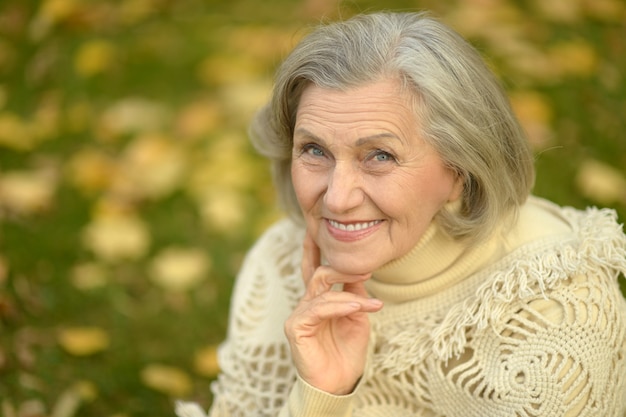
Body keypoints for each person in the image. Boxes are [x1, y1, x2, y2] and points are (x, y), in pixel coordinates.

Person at [176, 11, 626, 417]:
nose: (336, 199)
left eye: (380, 156)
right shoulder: (281, 262)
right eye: (314, 150)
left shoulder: (556, 305)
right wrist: (321, 395)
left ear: (460, 170)